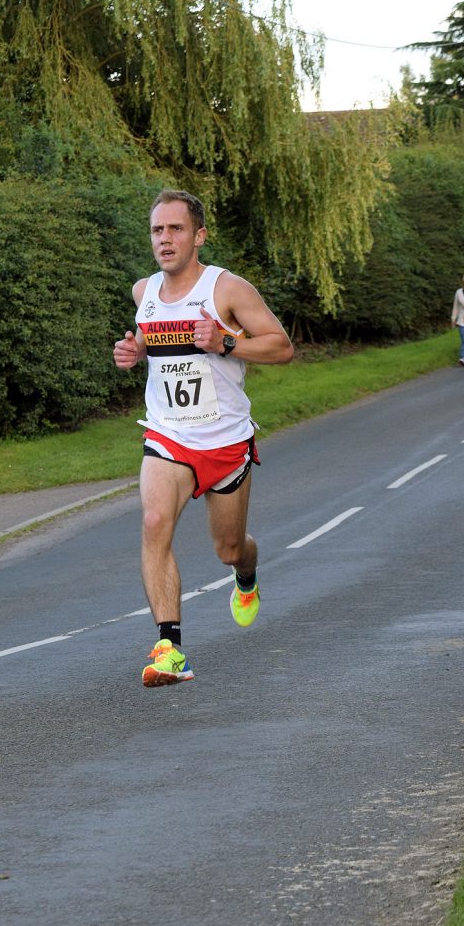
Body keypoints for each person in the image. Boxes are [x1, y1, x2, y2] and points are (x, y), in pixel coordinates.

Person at [113, 189, 294, 687]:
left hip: (225, 441)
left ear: (199, 236)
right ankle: (170, 650)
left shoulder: (228, 289)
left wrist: (226, 341)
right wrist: (135, 354)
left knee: (229, 548)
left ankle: (246, 575)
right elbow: (154, 342)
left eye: (175, 229)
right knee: (153, 521)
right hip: (168, 435)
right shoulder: (142, 291)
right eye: (157, 230)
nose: (165, 239)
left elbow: (281, 347)